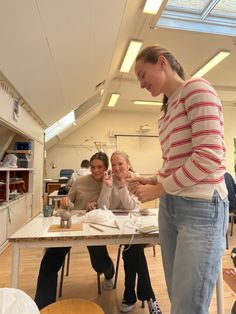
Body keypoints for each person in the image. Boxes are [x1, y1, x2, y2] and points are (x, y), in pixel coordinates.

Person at [128, 45, 228, 314]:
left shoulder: (197, 88)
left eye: (141, 74)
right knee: (179, 298)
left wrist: (159, 189)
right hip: (171, 208)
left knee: (188, 304)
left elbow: (208, 157)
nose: (140, 84)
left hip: (201, 209)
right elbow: (174, 165)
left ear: (161, 62)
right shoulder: (167, 110)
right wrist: (147, 179)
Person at [34, 152, 114, 310]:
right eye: (93, 167)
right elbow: (68, 203)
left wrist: (96, 207)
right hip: (73, 226)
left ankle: (109, 272)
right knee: (49, 263)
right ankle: (43, 308)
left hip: (94, 227)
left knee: (99, 262)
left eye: (100, 167)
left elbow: (108, 208)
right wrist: (66, 203)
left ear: (106, 168)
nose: (96, 170)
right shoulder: (79, 181)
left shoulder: (109, 182)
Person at [97, 151, 162, 314]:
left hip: (136, 226)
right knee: (133, 250)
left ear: (128, 164)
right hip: (116, 228)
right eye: (114, 164)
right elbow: (103, 207)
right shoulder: (108, 178)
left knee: (132, 250)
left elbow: (131, 207)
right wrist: (107, 187)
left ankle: (130, 295)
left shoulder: (135, 178)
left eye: (121, 163)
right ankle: (149, 297)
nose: (117, 168)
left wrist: (121, 187)